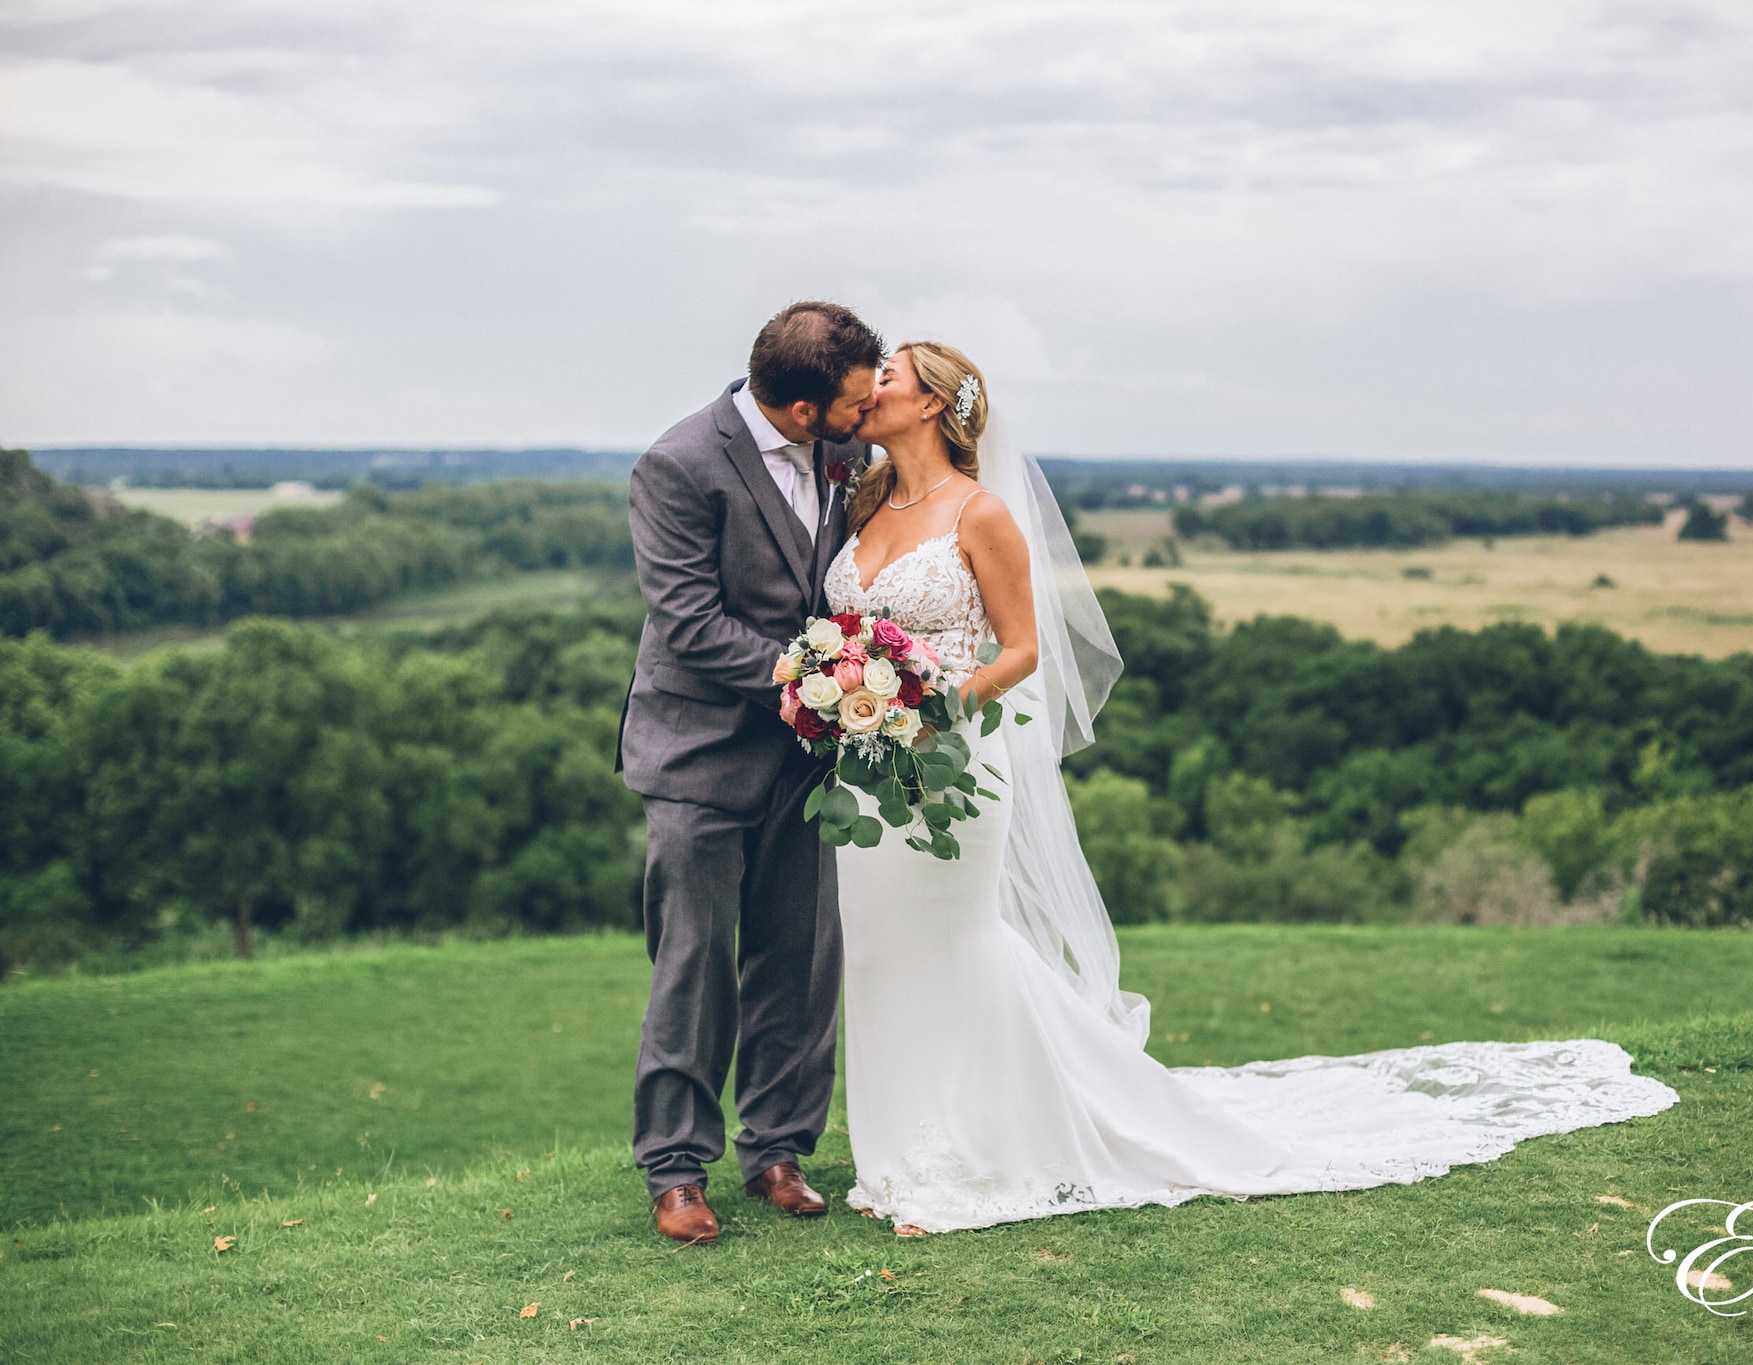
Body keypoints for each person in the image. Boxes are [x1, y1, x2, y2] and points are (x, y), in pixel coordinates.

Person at [824, 341, 1681, 1235]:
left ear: (931, 404)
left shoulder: (982, 512)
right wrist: (840, 686)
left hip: (957, 762)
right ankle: (894, 1156)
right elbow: (851, 626)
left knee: (958, 942)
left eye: (888, 377)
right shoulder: (868, 497)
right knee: (881, 948)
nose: (869, 388)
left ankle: (968, 1155)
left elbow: (1022, 649)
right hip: (868, 768)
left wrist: (937, 705)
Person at [616, 301, 883, 1244]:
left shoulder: (848, 456)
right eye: (854, 402)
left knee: (802, 954)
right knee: (695, 963)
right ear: (803, 409)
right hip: (698, 755)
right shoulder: (679, 464)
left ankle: (777, 1147)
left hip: (810, 757)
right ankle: (676, 1167)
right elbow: (686, 620)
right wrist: (815, 676)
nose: (869, 413)